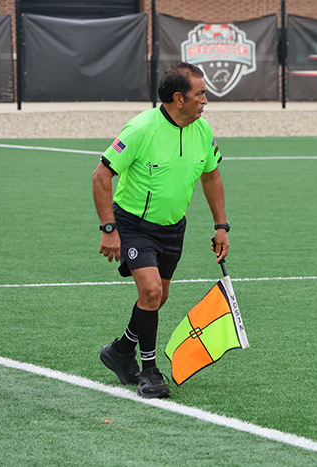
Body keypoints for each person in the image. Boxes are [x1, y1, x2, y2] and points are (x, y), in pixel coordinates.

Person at [92, 62, 229, 398]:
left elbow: (211, 176)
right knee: (151, 292)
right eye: (200, 94)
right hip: (133, 225)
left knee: (159, 297)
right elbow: (100, 176)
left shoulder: (203, 131)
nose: (206, 101)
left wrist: (221, 226)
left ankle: (120, 351)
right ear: (179, 99)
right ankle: (149, 370)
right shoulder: (141, 128)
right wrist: (109, 228)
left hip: (173, 228)